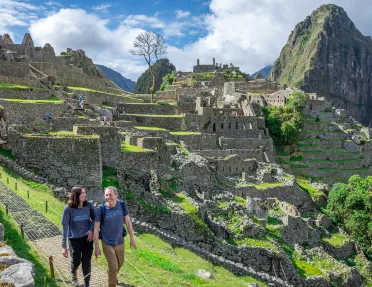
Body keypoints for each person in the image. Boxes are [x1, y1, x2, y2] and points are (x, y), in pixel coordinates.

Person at [94, 186, 137, 287]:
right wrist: (97, 247)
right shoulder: (101, 209)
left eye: (110, 194)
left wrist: (132, 238)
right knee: (113, 267)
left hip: (119, 241)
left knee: (120, 264)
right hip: (107, 242)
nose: (108, 197)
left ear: (116, 195)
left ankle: (112, 275)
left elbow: (127, 221)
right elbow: (96, 228)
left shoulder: (121, 205)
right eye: (106, 195)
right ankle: (111, 284)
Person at [61, 185, 95, 287]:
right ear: (76, 195)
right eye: (82, 193)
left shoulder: (89, 205)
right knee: (76, 261)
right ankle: (73, 272)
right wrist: (64, 246)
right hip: (74, 239)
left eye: (85, 193)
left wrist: (91, 230)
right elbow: (65, 227)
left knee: (86, 262)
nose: (85, 195)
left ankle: (86, 284)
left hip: (87, 238)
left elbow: (95, 220)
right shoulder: (68, 209)